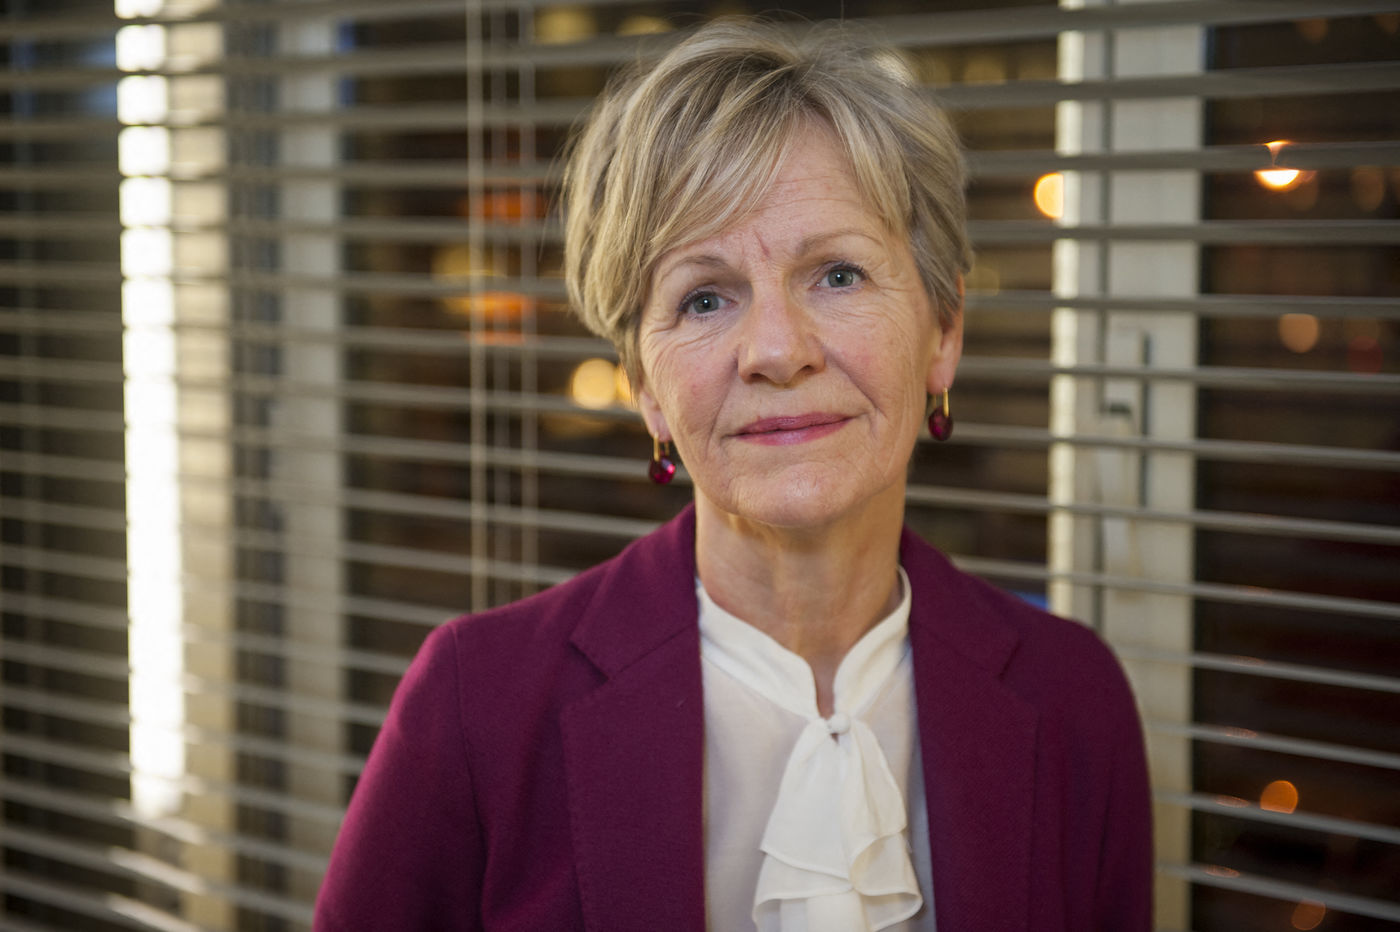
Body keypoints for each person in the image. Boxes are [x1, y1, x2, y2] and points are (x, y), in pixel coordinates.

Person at [315, 18, 1152, 932]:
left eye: (838, 274)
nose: (778, 351)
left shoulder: (1075, 701)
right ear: (647, 387)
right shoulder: (475, 707)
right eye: (705, 297)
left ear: (943, 333)